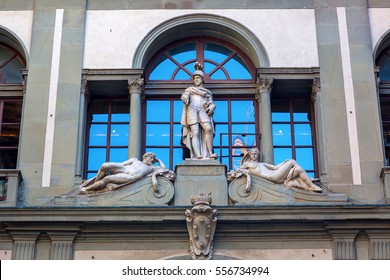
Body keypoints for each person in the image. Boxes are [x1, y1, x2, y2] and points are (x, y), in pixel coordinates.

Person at [238, 148, 322, 193]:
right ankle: (310, 181)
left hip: (276, 174)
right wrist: (246, 172)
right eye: (252, 154)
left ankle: (311, 186)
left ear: (258, 155)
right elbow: (239, 169)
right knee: (292, 161)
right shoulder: (248, 164)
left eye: (255, 154)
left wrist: (284, 162)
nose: (253, 155)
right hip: (272, 177)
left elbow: (275, 167)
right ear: (250, 155)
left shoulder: (262, 164)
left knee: (298, 169)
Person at [80, 152, 166, 194]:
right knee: (104, 166)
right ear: (145, 157)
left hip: (130, 177)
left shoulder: (151, 168)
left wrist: (157, 160)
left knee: (107, 179)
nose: (151, 160)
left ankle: (87, 189)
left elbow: (163, 169)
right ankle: (95, 185)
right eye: (150, 158)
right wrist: (114, 169)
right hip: (125, 168)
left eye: (153, 159)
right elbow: (122, 164)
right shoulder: (135, 160)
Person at [181, 62, 218, 159]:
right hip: (192, 110)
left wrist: (212, 107)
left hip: (202, 111)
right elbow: (185, 95)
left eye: (198, 78)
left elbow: (211, 103)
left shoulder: (207, 92)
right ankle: (198, 155)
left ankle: (210, 153)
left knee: (208, 128)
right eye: (195, 78)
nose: (196, 80)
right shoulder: (190, 89)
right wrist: (185, 98)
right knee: (195, 132)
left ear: (202, 79)